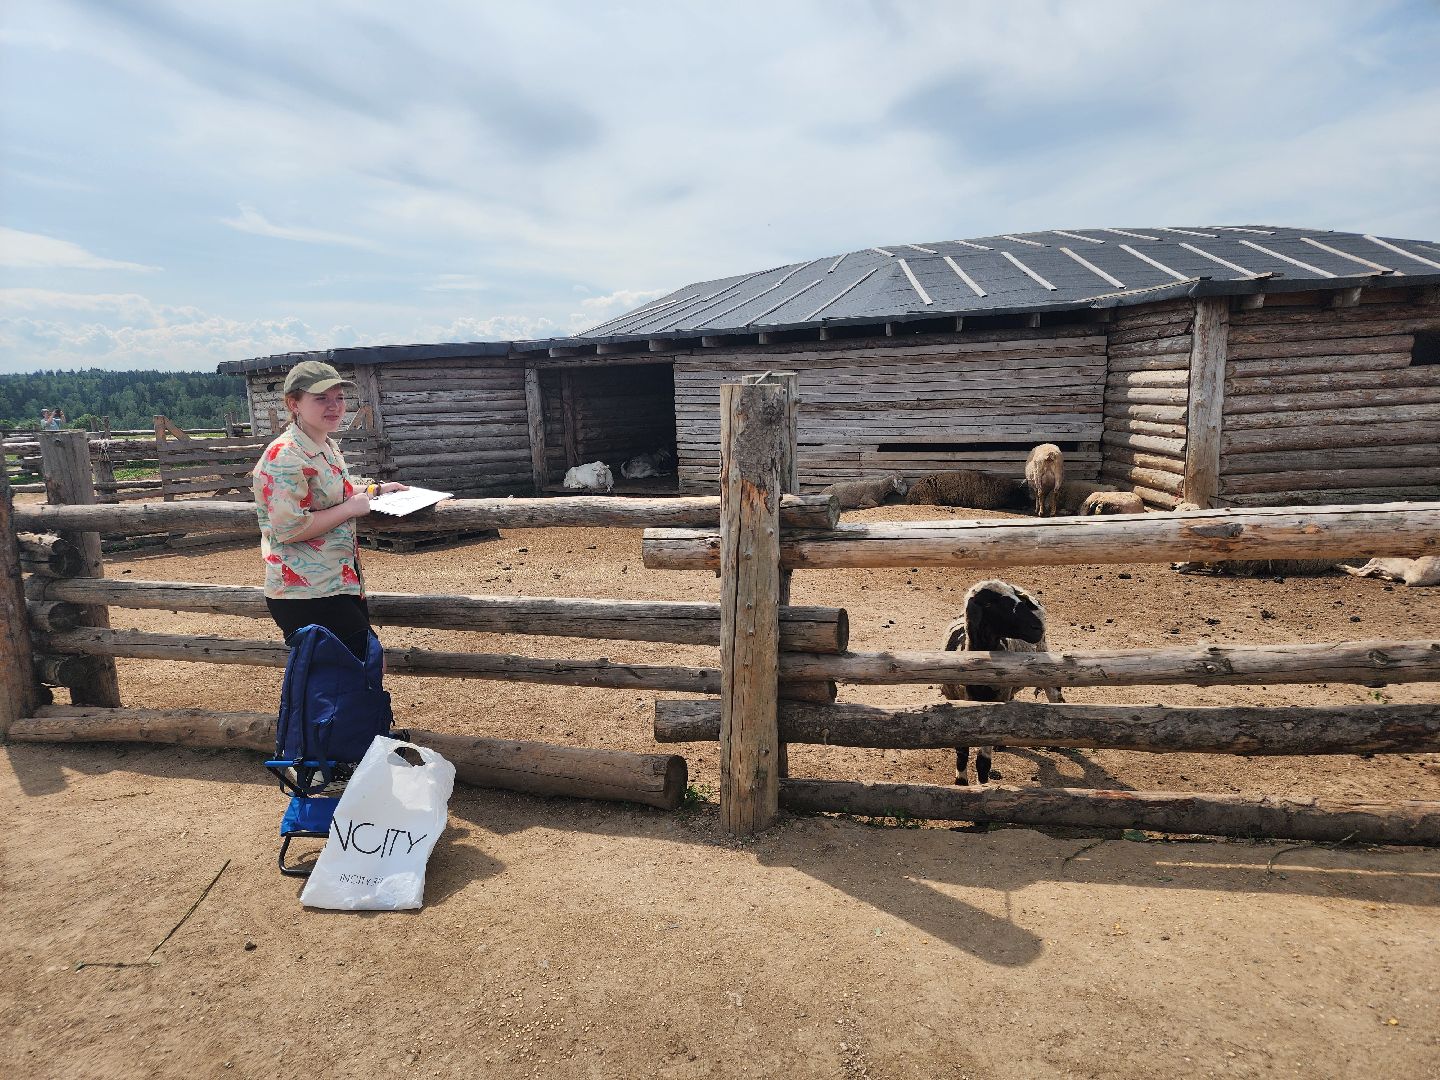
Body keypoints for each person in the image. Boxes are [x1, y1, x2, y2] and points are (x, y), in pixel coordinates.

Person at [252, 361, 407, 659]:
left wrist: (377, 490)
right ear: (293, 403)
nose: (334, 406)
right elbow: (290, 528)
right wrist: (350, 509)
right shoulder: (284, 456)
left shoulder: (325, 445)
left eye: (339, 397)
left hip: (336, 582)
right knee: (353, 671)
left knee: (354, 671)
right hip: (305, 590)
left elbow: (337, 492)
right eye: (321, 398)